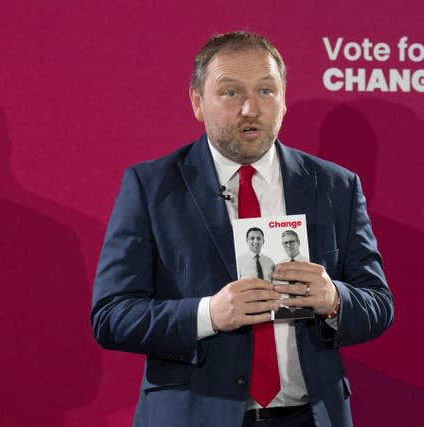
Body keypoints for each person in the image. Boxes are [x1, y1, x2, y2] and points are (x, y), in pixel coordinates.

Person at [91, 31, 393, 427]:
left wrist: (334, 299)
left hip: (311, 417)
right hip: (194, 416)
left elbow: (379, 304)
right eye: (231, 93)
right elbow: (112, 316)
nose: (251, 108)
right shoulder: (150, 188)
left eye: (266, 91)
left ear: (284, 101)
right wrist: (209, 314)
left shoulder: (336, 186)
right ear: (198, 103)